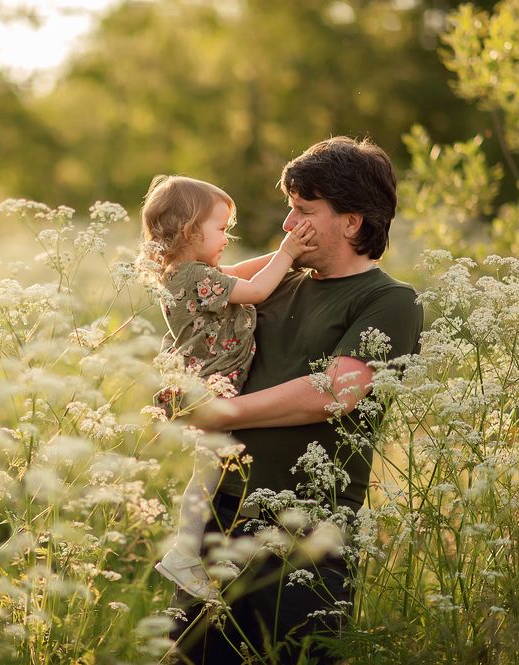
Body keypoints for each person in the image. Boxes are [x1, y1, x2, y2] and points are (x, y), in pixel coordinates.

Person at [168, 137, 424, 664]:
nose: (287, 223)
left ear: (352, 222)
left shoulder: (389, 300)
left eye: (303, 211)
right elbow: (184, 288)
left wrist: (224, 412)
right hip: (215, 517)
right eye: (289, 209)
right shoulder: (279, 282)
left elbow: (336, 391)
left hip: (305, 535)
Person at [139, 175, 317, 602]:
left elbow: (239, 273)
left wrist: (284, 257)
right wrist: (290, 252)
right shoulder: (195, 279)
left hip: (203, 384)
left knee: (210, 472)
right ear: (189, 231)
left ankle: (191, 551)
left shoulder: (189, 274)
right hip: (210, 388)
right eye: (221, 229)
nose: (227, 237)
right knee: (207, 474)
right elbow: (254, 290)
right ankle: (184, 552)